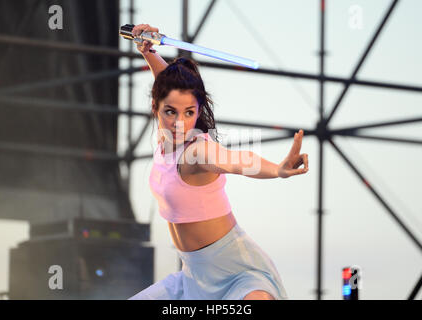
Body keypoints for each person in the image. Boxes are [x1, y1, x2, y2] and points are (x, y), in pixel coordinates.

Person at [128, 24, 309, 300]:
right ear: (156, 107)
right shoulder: (165, 141)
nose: (179, 123)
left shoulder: (197, 151)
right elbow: (165, 81)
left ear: (198, 110)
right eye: (170, 112)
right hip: (192, 277)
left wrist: (278, 170)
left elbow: (238, 161)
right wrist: (147, 50)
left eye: (189, 112)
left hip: (237, 275)